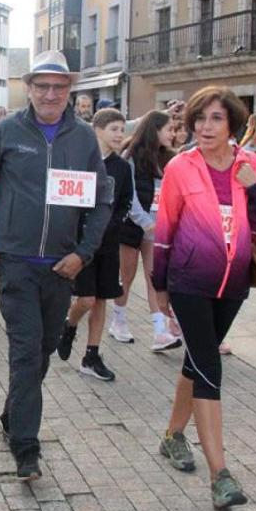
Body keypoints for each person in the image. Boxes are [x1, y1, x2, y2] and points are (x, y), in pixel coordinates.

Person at [0, 50, 113, 480]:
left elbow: (101, 202)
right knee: (27, 353)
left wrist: (83, 253)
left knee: (44, 349)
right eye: (42, 86)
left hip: (62, 267)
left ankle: (14, 411)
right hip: (16, 264)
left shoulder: (84, 138)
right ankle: (26, 447)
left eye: (59, 87)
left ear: (70, 91)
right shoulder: (8, 131)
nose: (50, 94)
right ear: (29, 89)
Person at [152, 85, 256, 509]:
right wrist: (159, 286)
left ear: (232, 123)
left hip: (233, 283)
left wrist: (255, 190)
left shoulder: (251, 164)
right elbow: (164, 229)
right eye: (199, 118)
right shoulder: (181, 167)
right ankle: (221, 475)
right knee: (209, 367)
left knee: (196, 360)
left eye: (216, 118)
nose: (205, 127)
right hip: (188, 281)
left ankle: (171, 436)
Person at [58, 108, 132, 381]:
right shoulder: (78, 161)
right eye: (114, 129)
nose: (119, 135)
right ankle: (69, 324)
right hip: (81, 243)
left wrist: (111, 225)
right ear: (97, 130)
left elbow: (124, 202)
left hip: (109, 244)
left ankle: (91, 355)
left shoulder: (122, 167)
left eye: (122, 130)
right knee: (86, 299)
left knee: (101, 300)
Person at [114, 110, 182, 350]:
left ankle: (160, 332)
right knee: (127, 276)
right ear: (155, 130)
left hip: (157, 229)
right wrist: (144, 221)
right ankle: (118, 321)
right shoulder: (130, 155)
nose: (173, 135)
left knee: (155, 279)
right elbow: (128, 194)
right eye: (169, 129)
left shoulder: (171, 158)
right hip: (132, 227)